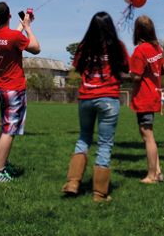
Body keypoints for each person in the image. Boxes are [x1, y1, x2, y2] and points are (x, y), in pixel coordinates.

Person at [61, 12, 129, 202]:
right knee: (105, 144)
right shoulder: (118, 46)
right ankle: (99, 193)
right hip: (108, 99)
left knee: (84, 138)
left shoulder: (84, 47)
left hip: (86, 98)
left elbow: (78, 67)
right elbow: (125, 68)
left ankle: (73, 182)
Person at [0, 2, 40, 183]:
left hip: (0, 87)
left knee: (5, 126)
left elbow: (12, 37)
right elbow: (36, 48)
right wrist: (28, 28)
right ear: (9, 16)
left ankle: (3, 164)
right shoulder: (13, 37)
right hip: (13, 89)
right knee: (9, 130)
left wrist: (22, 25)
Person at [129, 15, 164, 184]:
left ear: (137, 31)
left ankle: (151, 175)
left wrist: (128, 73)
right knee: (149, 135)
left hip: (144, 96)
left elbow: (136, 77)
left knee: (147, 136)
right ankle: (158, 171)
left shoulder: (140, 50)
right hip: (154, 94)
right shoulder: (157, 48)